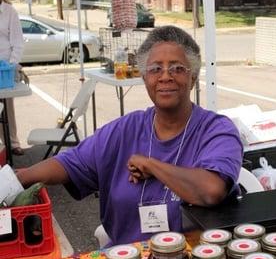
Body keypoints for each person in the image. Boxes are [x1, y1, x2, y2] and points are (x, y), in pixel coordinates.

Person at [17, 25, 243, 246]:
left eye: (177, 68)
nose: (166, 76)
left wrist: (152, 166)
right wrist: (19, 177)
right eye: (156, 69)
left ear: (193, 78)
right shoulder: (124, 131)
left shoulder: (216, 131)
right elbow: (70, 163)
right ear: (144, 78)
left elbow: (211, 190)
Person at [0, 0, 24, 155]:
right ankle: (1, 146)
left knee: (8, 107)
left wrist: (11, 64)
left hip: (5, 68)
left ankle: (13, 143)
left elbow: (17, 42)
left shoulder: (9, 12)